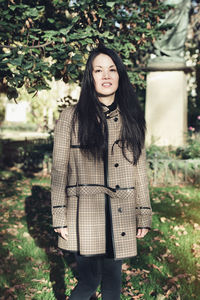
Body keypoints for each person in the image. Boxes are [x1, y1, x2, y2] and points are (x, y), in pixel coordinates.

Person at [51, 45, 152, 300]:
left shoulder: (132, 117)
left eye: (112, 70)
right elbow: (59, 169)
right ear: (90, 77)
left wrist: (144, 212)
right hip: (83, 213)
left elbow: (139, 169)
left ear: (120, 76)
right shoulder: (70, 117)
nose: (106, 76)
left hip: (121, 212)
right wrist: (59, 216)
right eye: (98, 70)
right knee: (89, 281)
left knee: (113, 282)